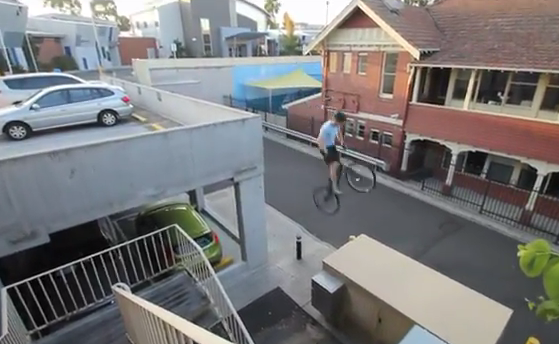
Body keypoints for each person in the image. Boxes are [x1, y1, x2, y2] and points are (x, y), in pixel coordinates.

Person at [317, 111, 346, 194]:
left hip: (332, 147)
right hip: (326, 148)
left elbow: (339, 133)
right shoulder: (326, 128)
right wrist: (324, 152)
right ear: (337, 121)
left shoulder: (336, 126)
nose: (342, 125)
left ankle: (331, 186)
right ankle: (334, 187)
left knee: (339, 166)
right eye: (342, 123)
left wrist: (342, 142)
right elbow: (319, 140)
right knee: (334, 166)